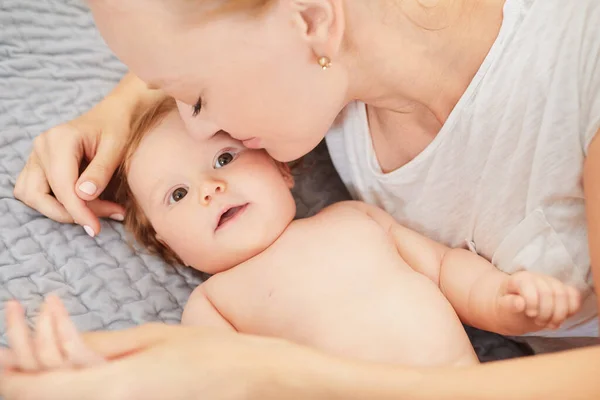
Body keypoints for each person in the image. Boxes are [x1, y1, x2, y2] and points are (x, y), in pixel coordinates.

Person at [7, 0, 600, 398]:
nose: (198, 131)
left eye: (198, 98)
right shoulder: (335, 77)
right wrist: (116, 114)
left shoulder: (582, 67)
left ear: (313, 19)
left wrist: (275, 379)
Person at [0, 95, 583, 378]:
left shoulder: (355, 219)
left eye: (225, 158)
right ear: (166, 244)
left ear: (281, 168)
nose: (208, 188)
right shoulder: (214, 303)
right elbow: (214, 377)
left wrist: (509, 302)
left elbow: (446, 270)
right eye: (176, 196)